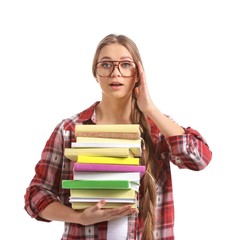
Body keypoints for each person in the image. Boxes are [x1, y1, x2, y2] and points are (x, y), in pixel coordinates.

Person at [24, 34, 212, 240]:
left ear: (138, 73)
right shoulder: (69, 129)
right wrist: (79, 217)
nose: (116, 73)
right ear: (95, 73)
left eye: (125, 64)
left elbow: (199, 159)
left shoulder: (159, 128)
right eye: (106, 65)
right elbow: (36, 195)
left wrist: (150, 108)